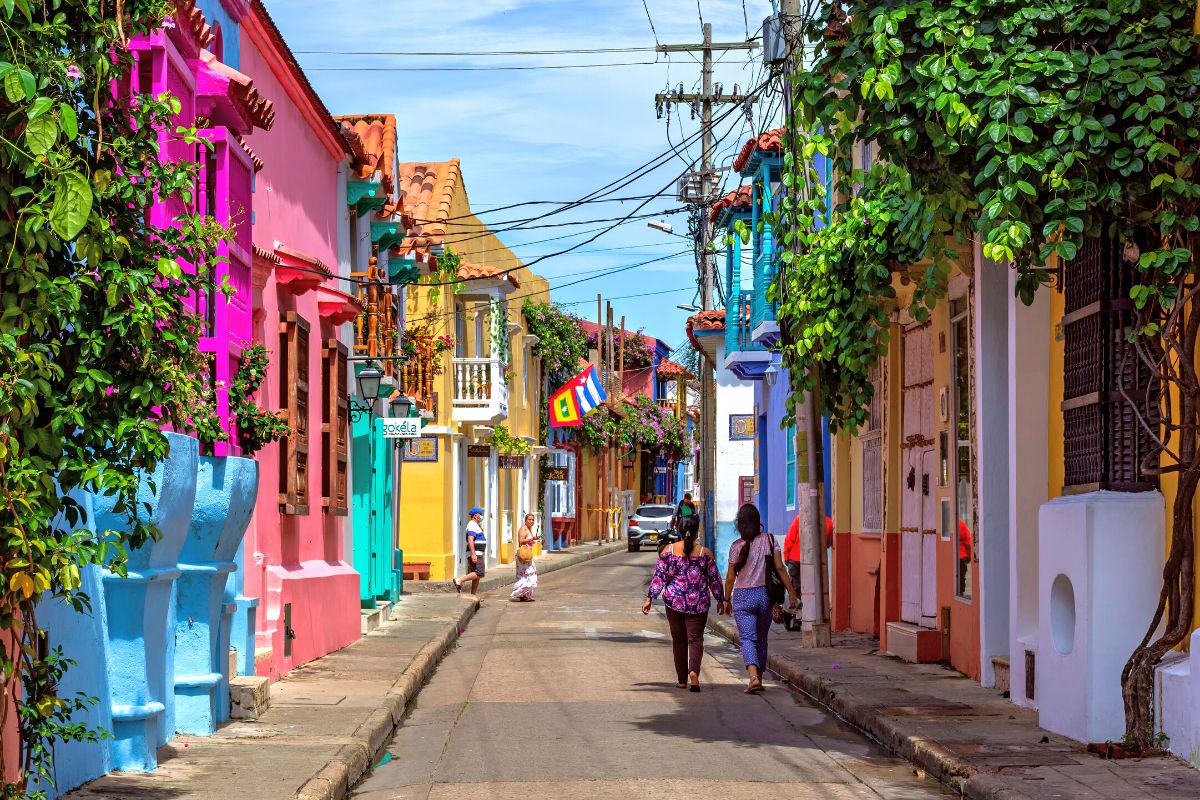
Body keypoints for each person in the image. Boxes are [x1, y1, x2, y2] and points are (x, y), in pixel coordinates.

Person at [721, 503, 799, 694]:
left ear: (739, 524)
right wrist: (792, 592)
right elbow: (780, 568)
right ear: (758, 523)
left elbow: (731, 577)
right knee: (761, 639)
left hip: (742, 598)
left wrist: (726, 600)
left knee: (747, 638)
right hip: (764, 597)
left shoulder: (735, 547)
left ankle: (753, 677)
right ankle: (760, 679)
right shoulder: (770, 540)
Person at [642, 515, 724, 691]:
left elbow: (659, 578)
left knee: (678, 641)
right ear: (696, 532)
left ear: (679, 530)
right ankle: (693, 673)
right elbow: (715, 580)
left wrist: (650, 598)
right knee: (695, 639)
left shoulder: (668, 552)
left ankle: (681, 680)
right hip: (698, 605)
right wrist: (721, 599)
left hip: (674, 603)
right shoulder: (705, 554)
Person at [454, 507, 487, 595]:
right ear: (475, 515)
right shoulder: (472, 524)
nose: (481, 516)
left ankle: (473, 595)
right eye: (480, 514)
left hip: (478, 552)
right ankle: (459, 580)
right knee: (479, 573)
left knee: (477, 576)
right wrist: (473, 554)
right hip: (476, 553)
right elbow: (470, 539)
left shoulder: (476, 525)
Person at [511, 512, 540, 602]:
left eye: (533, 520)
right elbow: (521, 540)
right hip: (523, 555)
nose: (531, 521)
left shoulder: (529, 529)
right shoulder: (523, 529)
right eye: (529, 519)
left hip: (527, 555)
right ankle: (522, 594)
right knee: (526, 574)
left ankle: (524, 595)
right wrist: (532, 538)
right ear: (525, 520)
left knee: (528, 574)